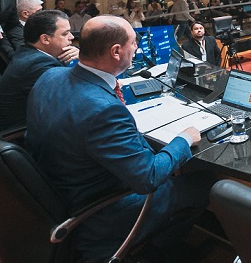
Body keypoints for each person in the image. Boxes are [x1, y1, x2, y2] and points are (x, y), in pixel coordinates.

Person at [27, 16, 214, 262]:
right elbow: (148, 177)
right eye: (133, 43)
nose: (136, 48)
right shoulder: (103, 111)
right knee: (206, 183)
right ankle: (164, 250)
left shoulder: (49, 77)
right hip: (104, 209)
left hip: (60, 189)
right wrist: (183, 139)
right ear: (116, 51)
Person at [0, 10, 78, 133]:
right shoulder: (39, 64)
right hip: (20, 132)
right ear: (45, 39)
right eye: (65, 34)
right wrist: (87, 60)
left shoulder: (28, 52)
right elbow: (74, 95)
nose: (72, 37)